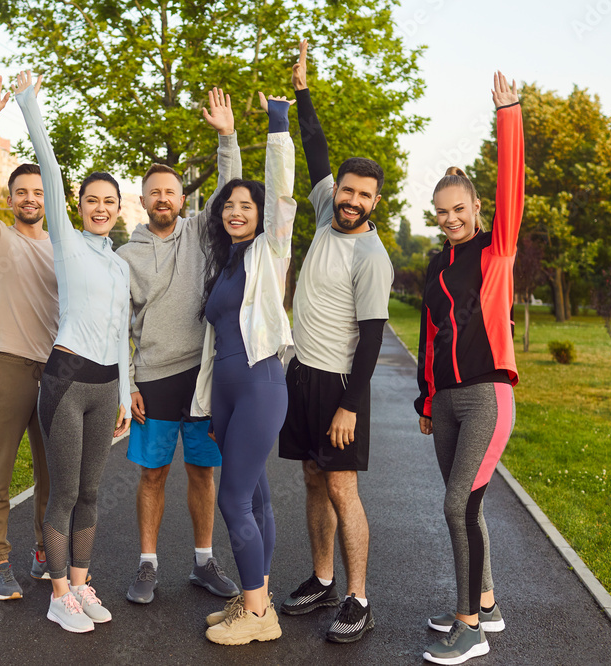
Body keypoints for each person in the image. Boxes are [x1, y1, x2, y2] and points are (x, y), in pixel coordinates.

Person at [276, 40, 393, 644]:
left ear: (376, 202)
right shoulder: (325, 211)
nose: (349, 200)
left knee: (343, 486)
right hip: (302, 372)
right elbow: (314, 146)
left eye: (362, 196)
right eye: (345, 190)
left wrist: (350, 404)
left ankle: (358, 596)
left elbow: (372, 338)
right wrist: (302, 92)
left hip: (342, 384)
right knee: (313, 479)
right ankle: (322, 579)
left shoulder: (372, 256)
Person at [14, 70, 132, 634]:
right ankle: (58, 593)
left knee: (91, 492)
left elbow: (120, 333)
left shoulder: (118, 262)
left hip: (106, 384)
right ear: (79, 205)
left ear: (118, 208)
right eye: (92, 200)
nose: (100, 207)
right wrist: (28, 105)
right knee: (62, 492)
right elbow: (52, 169)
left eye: (109, 201)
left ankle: (81, 584)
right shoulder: (67, 243)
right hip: (65, 381)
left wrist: (126, 393)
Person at [415, 71, 523, 665]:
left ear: (477, 207)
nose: (451, 218)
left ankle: (468, 628)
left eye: (459, 208)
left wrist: (509, 116)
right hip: (448, 402)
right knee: (470, 505)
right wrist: (428, 401)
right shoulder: (436, 265)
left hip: (486, 396)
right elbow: (430, 337)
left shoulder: (496, 247)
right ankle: (484, 602)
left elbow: (513, 186)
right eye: (441, 211)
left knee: (457, 505)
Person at [116, 88, 240, 605]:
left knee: (202, 473)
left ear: (182, 199)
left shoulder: (200, 234)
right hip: (154, 381)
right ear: (142, 201)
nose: (163, 198)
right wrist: (127, 386)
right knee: (152, 475)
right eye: (154, 193)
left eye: (171, 192)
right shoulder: (125, 255)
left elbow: (232, 190)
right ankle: (147, 567)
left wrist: (227, 137)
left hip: (202, 375)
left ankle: (204, 563)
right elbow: (115, 327)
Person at [191, 91, 297, 646]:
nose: (236, 212)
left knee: (231, 498)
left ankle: (258, 615)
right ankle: (258, 595)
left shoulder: (267, 251)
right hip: (228, 392)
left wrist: (277, 120)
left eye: (245, 207)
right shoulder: (225, 260)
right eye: (229, 205)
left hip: (259, 384)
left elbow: (281, 193)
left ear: (259, 217)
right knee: (253, 496)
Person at [0, 72, 58, 601]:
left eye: (38, 191)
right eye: (21, 191)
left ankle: (45, 549)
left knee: (53, 475)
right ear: (10, 198)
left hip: (57, 372)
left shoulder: (63, 245)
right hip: (9, 365)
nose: (30, 197)